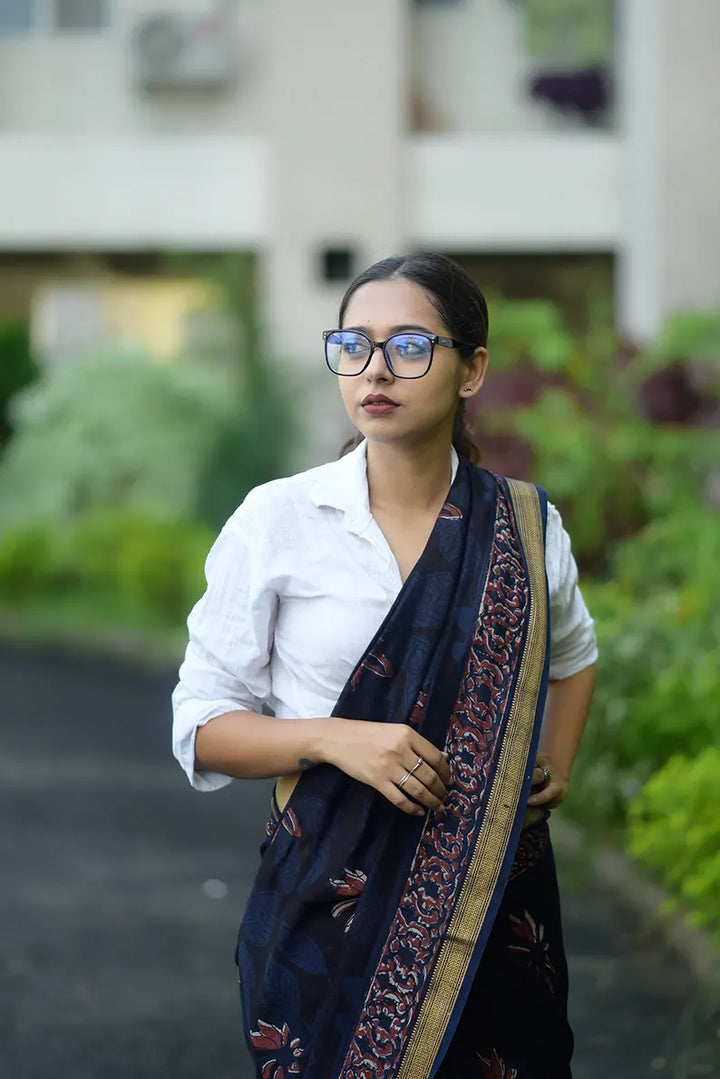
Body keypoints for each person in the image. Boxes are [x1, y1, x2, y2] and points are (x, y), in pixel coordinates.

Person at [172, 253, 597, 1079]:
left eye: (409, 345)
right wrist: (338, 739)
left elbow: (575, 658)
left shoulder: (523, 528)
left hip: (494, 912)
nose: (376, 369)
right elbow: (202, 727)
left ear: (472, 369)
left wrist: (560, 766)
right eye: (354, 345)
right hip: (323, 920)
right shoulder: (281, 519)